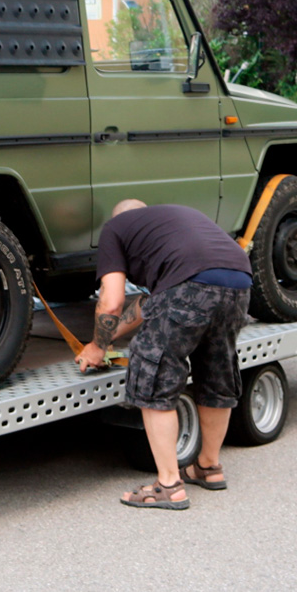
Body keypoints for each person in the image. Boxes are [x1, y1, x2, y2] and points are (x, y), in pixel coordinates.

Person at [76, 199, 252, 510]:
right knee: (216, 371)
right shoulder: (173, 221)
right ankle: (208, 467)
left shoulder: (115, 228)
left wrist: (98, 346)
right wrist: (106, 338)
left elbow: (112, 301)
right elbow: (150, 303)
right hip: (239, 282)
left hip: (190, 284)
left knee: (153, 374)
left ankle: (169, 485)